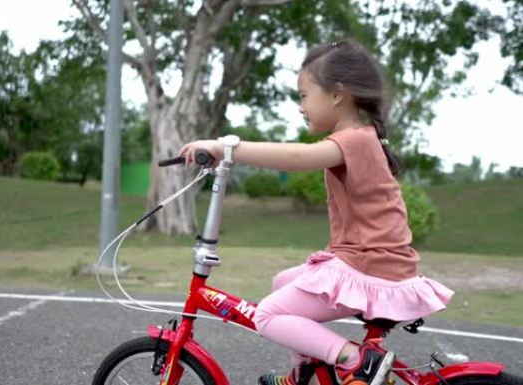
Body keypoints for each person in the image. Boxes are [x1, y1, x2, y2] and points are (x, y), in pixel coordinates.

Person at [178, 39, 453, 385]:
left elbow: (296, 159)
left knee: (267, 315)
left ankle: (357, 361)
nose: (300, 106)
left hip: (371, 266)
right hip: (373, 262)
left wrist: (227, 148)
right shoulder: (360, 137)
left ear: (337, 94)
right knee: (283, 282)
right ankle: (304, 371)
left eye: (304, 96)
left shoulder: (352, 140)